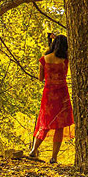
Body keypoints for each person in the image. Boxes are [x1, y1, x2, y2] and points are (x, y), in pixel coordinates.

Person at [28, 33, 73, 163]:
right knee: (60, 125)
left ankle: (33, 150)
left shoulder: (44, 59)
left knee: (44, 122)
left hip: (48, 93)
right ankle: (54, 157)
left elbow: (40, 78)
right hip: (62, 94)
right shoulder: (65, 60)